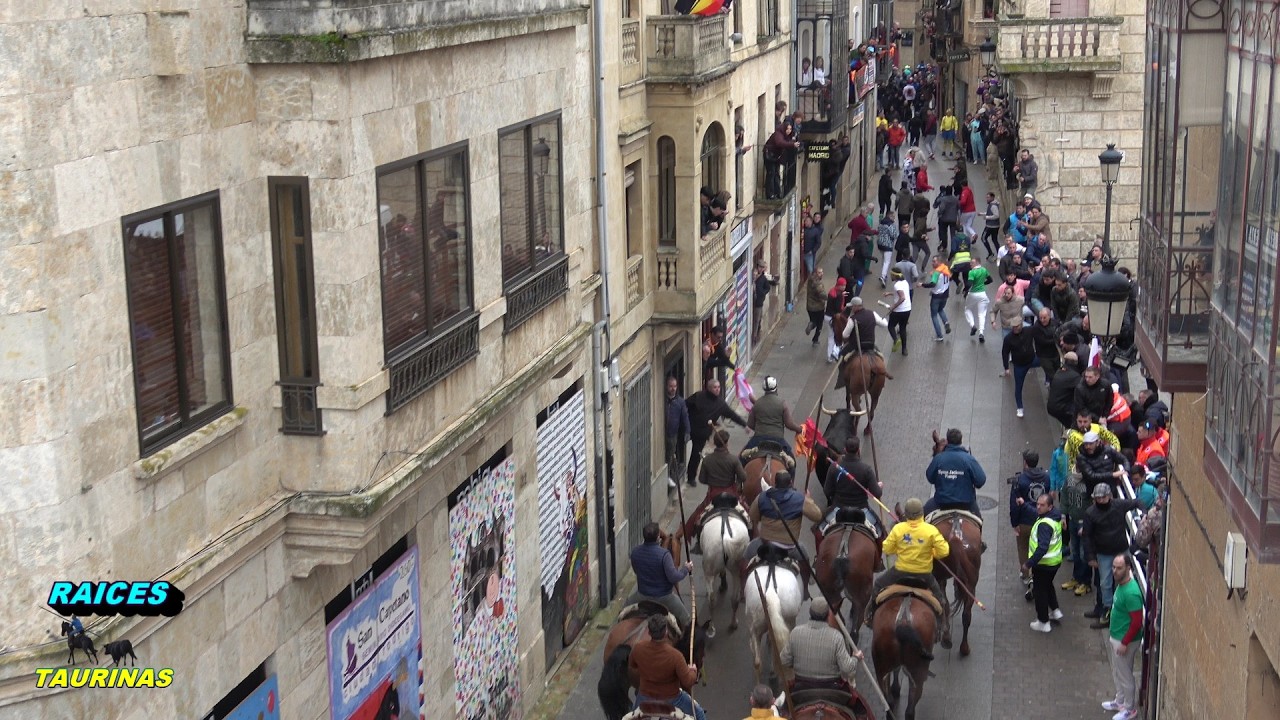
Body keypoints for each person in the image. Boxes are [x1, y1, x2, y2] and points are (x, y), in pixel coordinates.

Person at [869, 498, 949, 613]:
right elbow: (944, 551)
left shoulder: (898, 528)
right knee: (940, 599)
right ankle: (941, 624)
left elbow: (887, 548)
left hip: (900, 571)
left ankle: (870, 614)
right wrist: (932, 552)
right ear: (922, 513)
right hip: (925, 574)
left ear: (906, 514)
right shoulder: (931, 530)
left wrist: (899, 549)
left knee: (877, 585)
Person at [747, 471, 823, 588]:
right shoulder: (800, 499)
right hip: (789, 547)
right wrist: (808, 499)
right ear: (791, 482)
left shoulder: (762, 496)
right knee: (805, 559)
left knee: (745, 556)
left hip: (764, 544)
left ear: (775, 482)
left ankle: (742, 587)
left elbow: (753, 515)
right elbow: (817, 516)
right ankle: (806, 590)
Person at [1082, 485, 1141, 628]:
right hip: (1104, 553)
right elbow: (1087, 536)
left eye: (1103, 497)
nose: (1101, 501)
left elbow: (1136, 502)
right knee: (1105, 583)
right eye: (1098, 498)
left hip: (1119, 549)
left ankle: (1117, 609)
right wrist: (1090, 557)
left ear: (1109, 496)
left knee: (1123, 580)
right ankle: (1108, 611)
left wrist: (1144, 512)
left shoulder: (1118, 505)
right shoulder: (1091, 513)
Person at [629, 614, 704, 720]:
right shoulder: (676, 656)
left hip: (645, 696)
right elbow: (688, 681)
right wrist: (693, 671)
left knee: (632, 716)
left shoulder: (638, 648)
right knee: (699, 713)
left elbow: (632, 665)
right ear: (666, 632)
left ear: (649, 632)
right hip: (672, 698)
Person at [780, 596, 862, 692]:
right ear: (828, 615)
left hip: (801, 689)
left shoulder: (795, 632)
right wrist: (856, 658)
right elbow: (847, 668)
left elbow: (784, 660)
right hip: (831, 689)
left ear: (810, 613)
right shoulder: (836, 637)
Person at [683, 429, 749, 546]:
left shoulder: (708, 459)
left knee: (697, 518)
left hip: (713, 495)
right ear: (727, 442)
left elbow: (702, 480)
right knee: (749, 516)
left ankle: (697, 541)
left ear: (714, 443)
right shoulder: (733, 459)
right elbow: (743, 477)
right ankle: (750, 540)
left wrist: (713, 480)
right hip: (731, 495)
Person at [818, 435, 885, 546]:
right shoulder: (866, 470)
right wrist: (879, 486)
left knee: (818, 531)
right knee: (881, 533)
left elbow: (827, 491)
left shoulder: (834, 467)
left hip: (838, 507)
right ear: (858, 450)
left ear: (845, 449)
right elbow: (877, 493)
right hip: (862, 508)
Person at [629, 522, 695, 629]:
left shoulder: (635, 552)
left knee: (622, 612)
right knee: (687, 620)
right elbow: (673, 577)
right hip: (664, 597)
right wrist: (686, 569)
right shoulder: (664, 555)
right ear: (658, 537)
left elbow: (636, 570)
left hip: (641, 595)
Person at [685, 378, 748, 486]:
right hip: (689, 428)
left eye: (718, 387)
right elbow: (685, 405)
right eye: (715, 387)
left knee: (696, 454)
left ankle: (691, 477)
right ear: (709, 388)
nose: (717, 389)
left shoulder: (720, 403)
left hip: (702, 433)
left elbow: (732, 415)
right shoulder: (699, 396)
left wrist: (744, 424)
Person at [1103, 556, 1144, 720]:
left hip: (1124, 640)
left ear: (1128, 568)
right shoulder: (1122, 585)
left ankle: (1129, 708)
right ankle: (1119, 700)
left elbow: (1136, 622)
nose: (1114, 571)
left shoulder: (1131, 593)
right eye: (1113, 567)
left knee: (1125, 675)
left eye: (1119, 568)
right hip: (1117, 637)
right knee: (1117, 671)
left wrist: (1125, 643)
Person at [1023, 493, 1066, 633]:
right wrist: (1024, 504)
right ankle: (1055, 610)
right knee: (1048, 586)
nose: (1038, 507)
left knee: (1039, 591)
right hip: (1054, 562)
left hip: (1043, 564)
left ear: (1050, 507)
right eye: (1038, 504)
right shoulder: (1054, 516)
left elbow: (1042, 547)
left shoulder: (1044, 525)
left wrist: (1029, 563)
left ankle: (1043, 622)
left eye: (1042, 505)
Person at [924, 428, 988, 517]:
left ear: (947, 441)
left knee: (924, 512)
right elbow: (981, 481)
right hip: (966, 504)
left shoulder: (938, 459)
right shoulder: (968, 459)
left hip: (942, 503)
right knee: (979, 522)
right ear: (961, 441)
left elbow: (930, 477)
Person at [743, 376, 804, 459]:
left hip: (758, 438)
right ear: (776, 388)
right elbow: (789, 424)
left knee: (742, 458)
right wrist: (799, 429)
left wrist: (759, 429)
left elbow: (750, 424)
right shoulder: (782, 404)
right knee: (792, 461)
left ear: (764, 389)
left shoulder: (757, 404)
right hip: (777, 439)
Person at [1001, 322, 1040, 418]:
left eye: (1017, 326)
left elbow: (1038, 327)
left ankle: (1048, 380)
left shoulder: (1028, 331)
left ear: (1021, 325)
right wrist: (1006, 367)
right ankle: (1019, 408)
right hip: (1019, 366)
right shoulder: (1008, 338)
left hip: (1031, 359)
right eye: (1013, 326)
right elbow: (1005, 352)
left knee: (1046, 362)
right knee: (1018, 387)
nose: (1015, 328)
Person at [665, 377, 691, 489]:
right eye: (671, 386)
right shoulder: (663, 400)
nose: (673, 389)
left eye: (675, 386)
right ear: (667, 386)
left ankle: (668, 475)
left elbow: (685, 417)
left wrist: (687, 431)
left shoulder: (680, 402)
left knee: (670, 454)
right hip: (663, 433)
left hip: (672, 433)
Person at [1046, 352, 1083, 428]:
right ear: (1076, 363)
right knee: (1075, 426)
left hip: (1053, 406)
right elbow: (1083, 388)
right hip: (1062, 408)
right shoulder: (1074, 376)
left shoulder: (1060, 371)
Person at [921, 255, 954, 342]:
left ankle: (939, 336)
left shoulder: (936, 273)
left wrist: (922, 284)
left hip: (936, 297)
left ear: (939, 262)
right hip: (945, 295)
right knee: (940, 309)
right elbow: (950, 279)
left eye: (934, 261)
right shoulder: (945, 269)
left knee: (934, 315)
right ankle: (946, 322)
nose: (932, 263)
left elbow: (933, 284)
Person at [884, 268, 913, 356]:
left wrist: (893, 306)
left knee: (891, 326)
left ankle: (896, 340)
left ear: (894, 275)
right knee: (902, 328)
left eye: (891, 275)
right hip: (907, 309)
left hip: (898, 311)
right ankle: (904, 349)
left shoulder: (897, 285)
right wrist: (890, 293)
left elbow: (902, 297)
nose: (890, 276)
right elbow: (900, 293)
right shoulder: (905, 282)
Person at [964, 260, 993, 343]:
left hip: (973, 293)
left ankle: (972, 325)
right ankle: (981, 333)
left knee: (967, 309)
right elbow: (990, 280)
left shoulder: (972, 272)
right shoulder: (984, 270)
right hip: (983, 294)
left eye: (972, 263)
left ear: (977, 263)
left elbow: (969, 284)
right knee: (982, 314)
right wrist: (983, 284)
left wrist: (965, 290)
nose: (970, 264)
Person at [753, 262, 779, 344]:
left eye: (762, 267)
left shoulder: (763, 278)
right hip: (752, 301)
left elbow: (767, 288)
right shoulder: (754, 276)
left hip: (759, 302)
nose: (761, 269)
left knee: (757, 319)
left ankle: (755, 336)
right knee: (756, 318)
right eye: (760, 267)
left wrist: (762, 293)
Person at [805, 267, 828, 345]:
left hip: (810, 306)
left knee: (813, 320)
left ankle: (811, 324)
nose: (822, 274)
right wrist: (830, 298)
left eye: (822, 272)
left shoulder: (810, 280)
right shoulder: (818, 283)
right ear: (815, 273)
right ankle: (815, 339)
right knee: (819, 324)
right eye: (819, 272)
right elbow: (821, 294)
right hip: (819, 307)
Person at [981, 192, 1001, 260]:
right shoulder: (993, 205)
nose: (987, 199)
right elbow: (990, 213)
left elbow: (996, 215)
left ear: (992, 198)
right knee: (994, 240)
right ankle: (999, 254)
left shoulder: (993, 206)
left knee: (983, 238)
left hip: (990, 226)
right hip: (995, 226)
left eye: (988, 197)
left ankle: (990, 253)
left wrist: (987, 217)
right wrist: (982, 214)